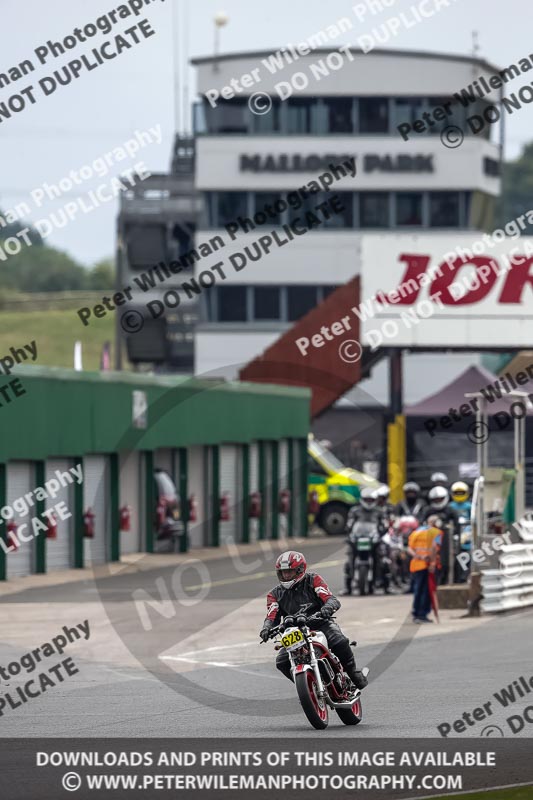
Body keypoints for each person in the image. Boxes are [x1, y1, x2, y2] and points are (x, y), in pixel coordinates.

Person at [259, 550, 368, 690]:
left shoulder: (313, 580)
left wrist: (327, 608)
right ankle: (308, 686)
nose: (286, 575)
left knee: (339, 641)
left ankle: (353, 673)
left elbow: (331, 599)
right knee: (281, 662)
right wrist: (266, 628)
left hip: (320, 623)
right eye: (283, 572)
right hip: (294, 631)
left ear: (300, 570)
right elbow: (271, 615)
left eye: (289, 572)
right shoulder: (274, 594)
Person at [342, 487, 385, 596]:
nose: (369, 502)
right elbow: (350, 523)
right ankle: (348, 587)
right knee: (350, 557)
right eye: (367, 500)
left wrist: (382, 531)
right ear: (362, 499)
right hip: (358, 538)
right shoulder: (355, 510)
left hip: (373, 539)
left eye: (371, 500)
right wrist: (349, 531)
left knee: (381, 557)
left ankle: (382, 583)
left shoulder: (379, 511)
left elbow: (383, 524)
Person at [422, 486, 460, 584]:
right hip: (431, 540)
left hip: (447, 540)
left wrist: (454, 535)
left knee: (447, 562)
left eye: (440, 499)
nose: (438, 501)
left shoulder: (450, 510)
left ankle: (450, 581)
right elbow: (422, 524)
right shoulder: (428, 511)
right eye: (436, 499)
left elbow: (457, 526)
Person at [407, 515, 440, 623]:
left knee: (418, 589)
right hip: (427, 565)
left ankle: (416, 612)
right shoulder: (436, 532)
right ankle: (422, 614)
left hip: (416, 565)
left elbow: (409, 549)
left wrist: (419, 557)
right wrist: (432, 563)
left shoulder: (416, 532)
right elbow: (434, 548)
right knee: (426, 591)